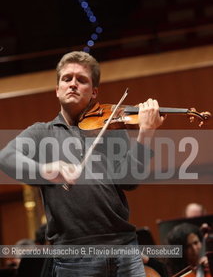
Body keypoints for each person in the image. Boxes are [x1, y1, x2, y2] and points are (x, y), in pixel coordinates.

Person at [0, 51, 164, 276]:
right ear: (57, 90)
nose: (73, 84)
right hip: (73, 258)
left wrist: (146, 133)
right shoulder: (41, 133)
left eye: (82, 79)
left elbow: (130, 181)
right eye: (67, 79)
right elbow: (5, 158)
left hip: (123, 250)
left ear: (94, 92)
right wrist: (46, 170)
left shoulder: (110, 129)